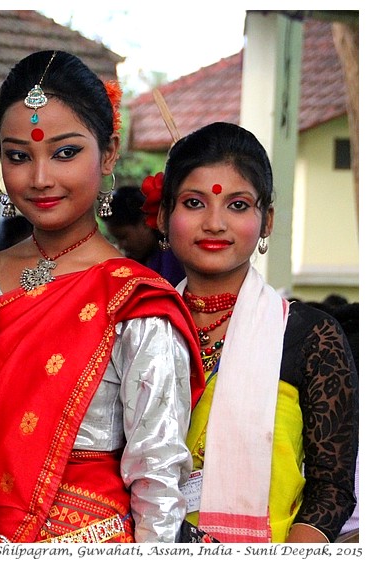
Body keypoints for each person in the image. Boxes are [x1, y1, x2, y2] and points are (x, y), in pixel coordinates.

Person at [0, 50, 204, 543]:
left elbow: (159, 475)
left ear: (108, 154)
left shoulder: (136, 302)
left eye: (65, 153)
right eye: (18, 156)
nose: (40, 178)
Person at [148, 121, 357, 542]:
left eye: (238, 205)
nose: (215, 222)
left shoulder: (309, 337)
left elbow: (330, 490)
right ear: (162, 217)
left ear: (267, 221)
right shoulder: (139, 325)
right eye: (193, 202)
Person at [102, 184, 185, 286]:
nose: (120, 246)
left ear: (145, 222)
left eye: (123, 237)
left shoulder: (175, 258)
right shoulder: (135, 262)